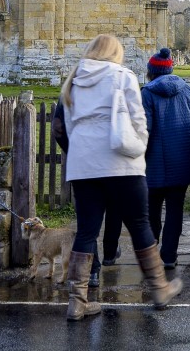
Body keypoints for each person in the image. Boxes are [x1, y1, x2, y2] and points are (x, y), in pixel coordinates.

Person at [61, 34, 183, 321]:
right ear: (115, 53)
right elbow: (138, 118)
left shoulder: (73, 79)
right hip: (120, 163)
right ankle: (159, 289)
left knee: (87, 230)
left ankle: (77, 302)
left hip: (83, 165)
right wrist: (138, 146)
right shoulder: (122, 75)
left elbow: (67, 126)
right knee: (140, 224)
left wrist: (81, 155)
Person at [141, 47, 190, 268]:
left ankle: (151, 252)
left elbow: (144, 129)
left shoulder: (147, 93)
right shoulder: (188, 90)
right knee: (176, 210)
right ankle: (169, 257)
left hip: (154, 162)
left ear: (151, 72)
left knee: (152, 210)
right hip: (182, 160)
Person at [50, 97, 117, 286]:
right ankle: (111, 255)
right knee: (116, 211)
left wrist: (73, 151)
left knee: (87, 226)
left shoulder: (72, 85)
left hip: (83, 166)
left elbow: (57, 128)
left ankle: (87, 279)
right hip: (111, 163)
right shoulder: (117, 80)